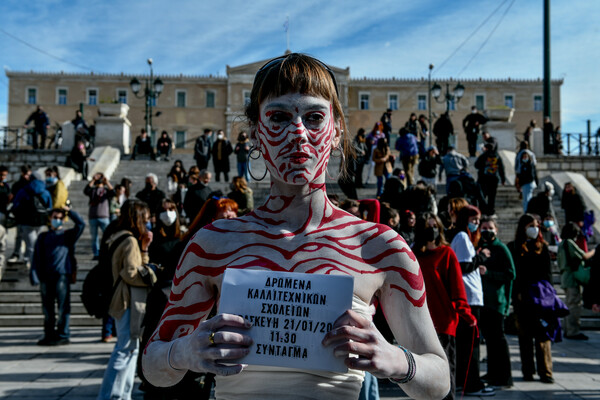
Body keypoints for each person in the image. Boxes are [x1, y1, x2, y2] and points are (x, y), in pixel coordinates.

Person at [142, 53, 450, 400]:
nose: (297, 133)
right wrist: (185, 352)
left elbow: (439, 380)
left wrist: (394, 359)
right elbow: (154, 366)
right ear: (256, 134)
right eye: (279, 117)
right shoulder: (213, 244)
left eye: (315, 117)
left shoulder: (382, 248)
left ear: (336, 132)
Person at [97, 200, 157, 400]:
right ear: (138, 218)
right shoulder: (130, 240)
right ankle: (112, 396)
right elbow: (131, 273)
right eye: (146, 219)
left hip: (122, 299)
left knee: (130, 349)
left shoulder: (119, 236)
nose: (147, 223)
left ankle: (122, 394)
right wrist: (152, 274)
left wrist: (145, 249)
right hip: (128, 300)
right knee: (125, 351)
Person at [414, 212, 476, 400]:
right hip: (419, 323)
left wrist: (466, 313)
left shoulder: (447, 253)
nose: (432, 229)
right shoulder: (414, 255)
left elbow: (457, 288)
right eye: (428, 226)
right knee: (420, 377)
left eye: (435, 226)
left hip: (443, 322)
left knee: (446, 376)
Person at [508, 214, 563, 384]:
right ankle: (527, 370)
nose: (535, 228)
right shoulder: (514, 247)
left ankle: (546, 371)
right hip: (522, 297)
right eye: (531, 225)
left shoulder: (543, 247)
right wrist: (516, 294)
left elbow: (548, 275)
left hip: (541, 298)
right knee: (524, 336)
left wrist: (550, 295)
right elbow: (514, 274)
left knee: (543, 336)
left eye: (536, 225)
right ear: (523, 227)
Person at [450, 205, 494, 396]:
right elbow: (463, 265)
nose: (476, 224)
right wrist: (481, 257)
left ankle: (464, 381)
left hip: (471, 295)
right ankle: (472, 384)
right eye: (474, 220)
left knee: (468, 343)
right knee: (471, 344)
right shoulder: (461, 237)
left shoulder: (464, 237)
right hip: (469, 296)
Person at [30, 206, 85, 346]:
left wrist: (69, 211)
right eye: (55, 217)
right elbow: (36, 257)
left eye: (60, 218)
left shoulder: (67, 235)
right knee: (47, 309)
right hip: (46, 276)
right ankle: (49, 334)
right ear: (49, 219)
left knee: (63, 308)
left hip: (62, 275)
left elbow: (81, 224)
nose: (57, 220)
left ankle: (63, 334)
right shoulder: (43, 237)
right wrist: (34, 274)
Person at [477, 216, 515, 388]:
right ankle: (492, 373)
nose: (487, 230)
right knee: (490, 341)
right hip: (484, 302)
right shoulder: (481, 248)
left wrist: (489, 273)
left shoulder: (501, 248)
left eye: (490, 227)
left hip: (497, 302)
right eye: (483, 227)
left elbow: (510, 274)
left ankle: (505, 376)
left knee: (499, 340)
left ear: (496, 230)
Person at [558, 222, 595, 340]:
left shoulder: (562, 244)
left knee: (570, 305)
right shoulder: (569, 243)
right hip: (571, 278)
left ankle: (568, 330)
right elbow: (583, 256)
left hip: (566, 277)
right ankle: (573, 331)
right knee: (574, 305)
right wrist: (594, 251)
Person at [11, 171, 53, 268]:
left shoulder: (23, 190)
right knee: (37, 242)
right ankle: (32, 260)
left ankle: (30, 262)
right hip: (41, 221)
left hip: (26, 221)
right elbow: (49, 207)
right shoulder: (45, 191)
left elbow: (16, 205)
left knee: (30, 243)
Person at [84, 173, 115, 260]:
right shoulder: (92, 190)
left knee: (108, 236)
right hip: (93, 216)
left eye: (100, 177)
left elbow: (113, 192)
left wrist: (107, 182)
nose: (99, 179)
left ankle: (108, 252)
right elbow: (86, 190)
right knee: (94, 237)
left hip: (104, 216)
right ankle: (96, 253)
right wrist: (93, 180)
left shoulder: (105, 191)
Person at [7, 165, 32, 263]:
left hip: (28, 213)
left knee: (27, 236)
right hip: (20, 213)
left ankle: (26, 255)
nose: (26, 176)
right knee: (19, 235)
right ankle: (17, 253)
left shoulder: (30, 185)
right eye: (25, 174)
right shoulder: (18, 185)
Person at [474, 142, 506, 215]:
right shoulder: (497, 156)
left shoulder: (483, 156)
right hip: (494, 179)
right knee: (492, 196)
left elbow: (476, 165)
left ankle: (483, 210)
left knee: (483, 195)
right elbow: (501, 168)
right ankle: (491, 211)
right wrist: (503, 179)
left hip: (484, 179)